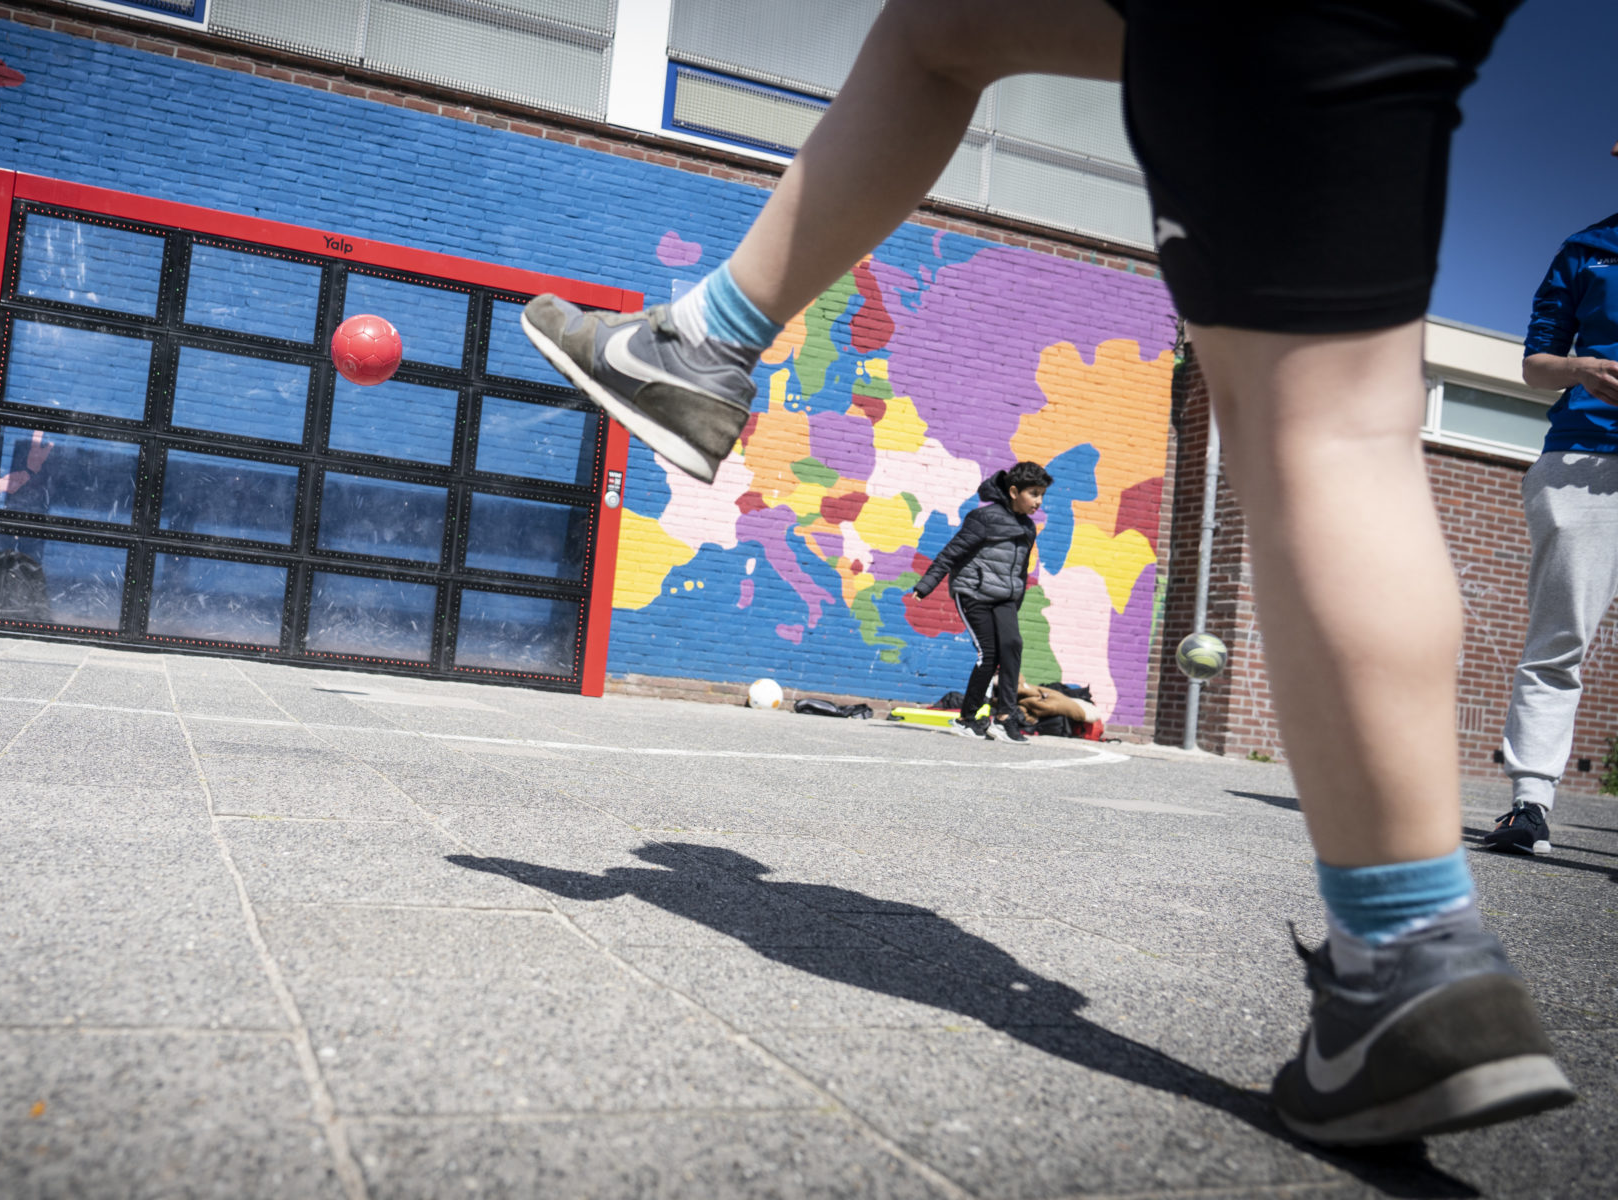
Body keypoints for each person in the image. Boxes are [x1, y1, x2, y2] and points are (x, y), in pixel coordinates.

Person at [523, 0, 1575, 1145]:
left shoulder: (1008, 524)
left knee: (1309, 428)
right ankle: (1419, 950)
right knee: (1351, 434)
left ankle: (1407, 950)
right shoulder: (991, 520)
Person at [1485, 182, 1618, 858]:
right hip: (1583, 461)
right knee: (1560, 639)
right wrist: (1581, 368)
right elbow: (1537, 364)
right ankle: (1529, 805)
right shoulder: (1585, 251)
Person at [911, 462, 1050, 742]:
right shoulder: (983, 518)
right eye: (1034, 493)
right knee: (988, 654)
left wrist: (1015, 600)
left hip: (1005, 597)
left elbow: (1020, 569)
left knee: (1012, 646)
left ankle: (1004, 718)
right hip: (973, 592)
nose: (1039, 501)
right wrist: (926, 585)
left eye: (1042, 495)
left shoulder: (1027, 527)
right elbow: (950, 554)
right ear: (1014, 491)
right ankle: (967, 718)